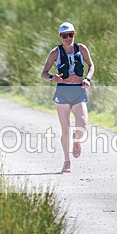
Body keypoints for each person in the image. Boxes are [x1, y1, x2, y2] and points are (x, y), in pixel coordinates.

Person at [41, 21, 94, 173]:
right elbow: (43, 73)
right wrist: (52, 77)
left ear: (74, 34)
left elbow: (91, 65)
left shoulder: (81, 48)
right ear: (60, 37)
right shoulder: (55, 52)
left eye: (70, 35)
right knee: (65, 129)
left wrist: (88, 79)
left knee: (82, 125)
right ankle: (66, 162)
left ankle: (76, 139)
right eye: (64, 36)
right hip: (63, 91)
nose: (68, 38)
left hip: (78, 90)